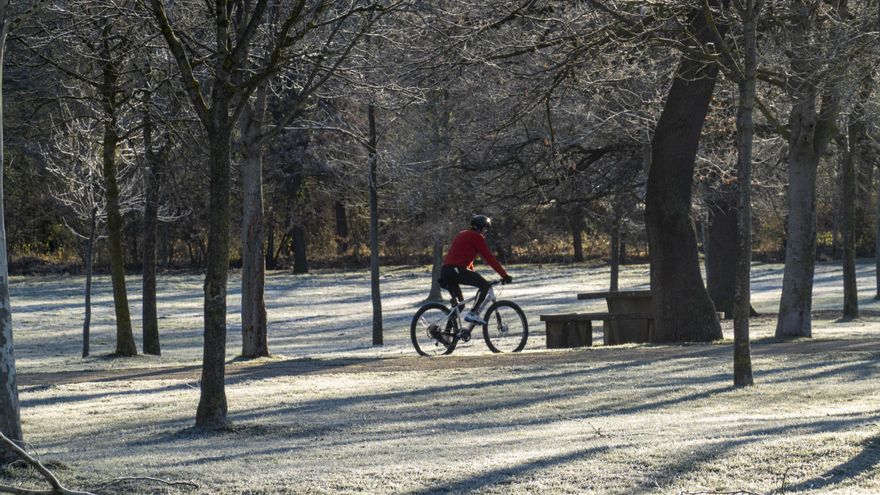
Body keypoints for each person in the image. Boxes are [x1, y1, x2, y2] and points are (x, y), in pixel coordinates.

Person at [439, 214, 513, 325]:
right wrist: (504, 275)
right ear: (482, 228)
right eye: (485, 229)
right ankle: (473, 313)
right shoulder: (477, 237)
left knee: (460, 305)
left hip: (446, 271)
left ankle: (448, 336)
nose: (485, 232)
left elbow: (461, 255)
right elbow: (489, 258)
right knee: (484, 286)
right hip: (456, 270)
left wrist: (472, 272)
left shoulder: (462, 234)